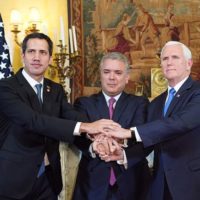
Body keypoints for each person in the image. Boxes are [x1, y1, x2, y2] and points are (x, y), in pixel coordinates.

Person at [0, 32, 119, 200]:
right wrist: (86, 127)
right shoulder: (5, 87)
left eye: (43, 53)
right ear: (23, 56)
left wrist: (99, 134)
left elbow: (70, 115)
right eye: (31, 51)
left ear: (50, 58)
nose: (36, 57)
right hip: (14, 181)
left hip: (48, 180)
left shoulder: (55, 89)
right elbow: (33, 120)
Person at [105, 41, 200, 200]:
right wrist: (123, 155)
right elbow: (149, 140)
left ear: (188, 64)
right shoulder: (156, 103)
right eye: (165, 59)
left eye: (175, 57)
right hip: (159, 184)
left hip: (190, 183)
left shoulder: (196, 93)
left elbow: (180, 123)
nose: (169, 62)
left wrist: (129, 132)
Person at [72, 52, 152, 200]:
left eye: (118, 72)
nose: (112, 77)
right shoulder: (84, 103)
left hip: (133, 182)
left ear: (127, 77)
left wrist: (122, 151)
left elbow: (145, 137)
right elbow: (78, 137)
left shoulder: (140, 103)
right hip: (92, 184)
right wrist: (93, 147)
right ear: (100, 75)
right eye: (107, 72)